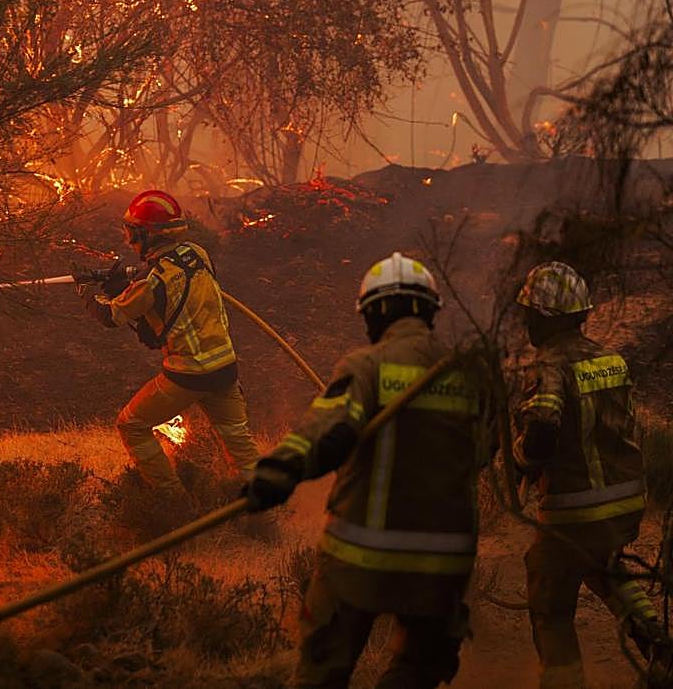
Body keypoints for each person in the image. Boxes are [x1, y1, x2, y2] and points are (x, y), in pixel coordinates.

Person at [246, 252, 488, 688]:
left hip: (360, 558)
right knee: (418, 669)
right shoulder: (471, 374)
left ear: (374, 312)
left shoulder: (368, 365)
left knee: (324, 665)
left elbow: (327, 430)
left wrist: (277, 472)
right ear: (431, 310)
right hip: (443, 563)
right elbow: (485, 452)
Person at [512, 261, 666, 688]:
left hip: (574, 511)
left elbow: (543, 428)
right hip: (626, 503)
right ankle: (659, 646)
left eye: (529, 313)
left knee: (549, 600)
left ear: (542, 318)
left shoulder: (547, 367)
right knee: (608, 565)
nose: (525, 321)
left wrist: (522, 460)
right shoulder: (611, 360)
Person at [81, 189, 260, 504]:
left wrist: (87, 292)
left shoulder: (153, 279)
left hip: (188, 374)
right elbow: (171, 291)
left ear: (148, 235)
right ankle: (267, 514)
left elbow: (112, 316)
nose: (129, 241)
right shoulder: (198, 253)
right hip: (225, 368)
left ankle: (174, 504)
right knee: (239, 445)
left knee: (131, 425)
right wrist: (125, 284)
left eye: (133, 234)